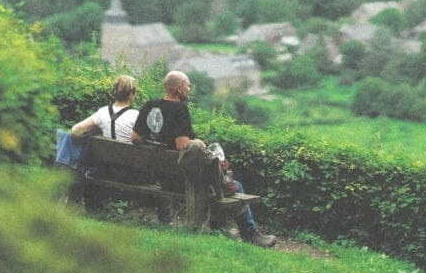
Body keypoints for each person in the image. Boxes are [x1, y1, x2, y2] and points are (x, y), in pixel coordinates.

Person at [132, 71, 276, 246]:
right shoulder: (180, 110)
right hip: (182, 182)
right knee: (235, 186)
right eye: (188, 85)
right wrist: (197, 142)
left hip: (159, 177)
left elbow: (135, 138)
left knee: (219, 183)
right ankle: (250, 235)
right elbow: (182, 145)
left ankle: (220, 225)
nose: (190, 89)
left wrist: (157, 142)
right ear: (179, 88)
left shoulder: (149, 105)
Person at [70, 74, 139, 143]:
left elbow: (75, 131)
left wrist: (98, 129)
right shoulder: (136, 115)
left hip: (105, 150)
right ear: (131, 94)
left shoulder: (102, 112)